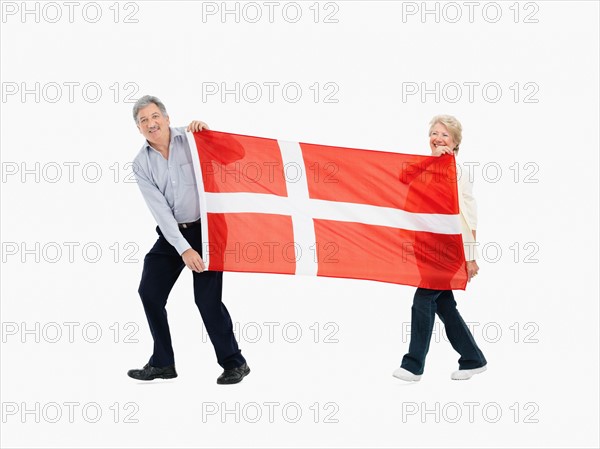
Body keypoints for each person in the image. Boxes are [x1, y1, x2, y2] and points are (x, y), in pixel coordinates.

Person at [127, 95, 250, 384]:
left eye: (154, 116)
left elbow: (237, 154)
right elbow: (160, 212)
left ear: (167, 118)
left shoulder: (193, 139)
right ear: (139, 129)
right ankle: (162, 363)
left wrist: (211, 136)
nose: (150, 123)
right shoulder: (140, 163)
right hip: (173, 234)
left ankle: (235, 363)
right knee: (150, 292)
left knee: (206, 300)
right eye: (143, 120)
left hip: (208, 230)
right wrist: (183, 249)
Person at [393, 114, 487, 382]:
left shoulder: (458, 172)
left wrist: (470, 256)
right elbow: (403, 177)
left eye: (445, 135)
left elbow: (468, 214)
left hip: (449, 246)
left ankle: (413, 366)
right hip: (424, 244)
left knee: (423, 299)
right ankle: (473, 358)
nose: (438, 138)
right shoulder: (424, 165)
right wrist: (433, 159)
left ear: (455, 142)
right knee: (444, 304)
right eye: (434, 133)